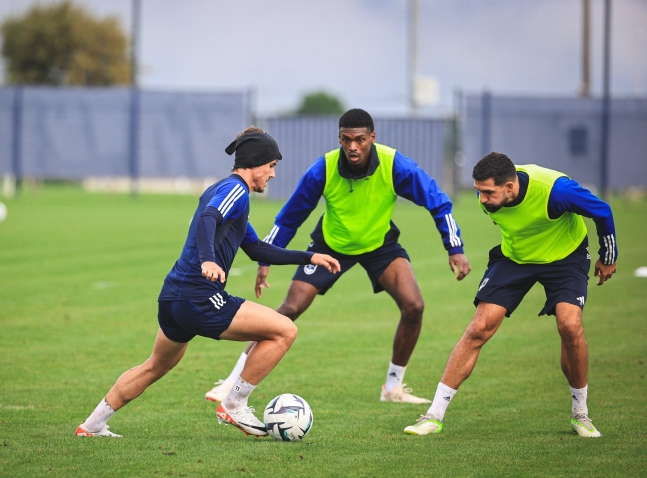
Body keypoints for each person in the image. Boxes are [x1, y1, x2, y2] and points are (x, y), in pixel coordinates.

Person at [75, 127, 340, 438]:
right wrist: (208, 260)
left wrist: (309, 258)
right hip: (198, 297)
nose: (272, 175)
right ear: (255, 164)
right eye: (271, 166)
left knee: (154, 366)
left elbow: (256, 248)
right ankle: (235, 404)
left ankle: (92, 425)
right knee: (285, 330)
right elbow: (207, 219)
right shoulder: (236, 191)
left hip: (173, 297)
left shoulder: (225, 190)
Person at [204, 109, 471, 404]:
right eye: (346, 139)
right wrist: (264, 259)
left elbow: (439, 202)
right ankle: (230, 382)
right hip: (330, 246)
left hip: (379, 244)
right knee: (290, 308)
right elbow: (289, 217)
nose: (353, 146)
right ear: (339, 138)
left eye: (359, 139)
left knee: (414, 306)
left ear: (372, 137)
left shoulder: (396, 166)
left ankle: (393, 388)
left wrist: (454, 247)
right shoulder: (324, 168)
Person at [403, 152, 617, 438]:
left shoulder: (557, 191)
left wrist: (608, 255)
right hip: (515, 258)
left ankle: (581, 414)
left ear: (510, 186)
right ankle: (433, 416)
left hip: (565, 258)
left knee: (570, 324)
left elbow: (602, 211)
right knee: (478, 328)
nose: (482, 200)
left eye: (488, 192)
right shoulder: (491, 200)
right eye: (478, 192)